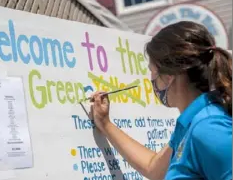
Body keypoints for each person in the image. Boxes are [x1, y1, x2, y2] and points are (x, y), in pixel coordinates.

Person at [89, 21, 232, 180]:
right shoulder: (190, 123)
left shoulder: (208, 127)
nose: (150, 79)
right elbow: (154, 168)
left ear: (170, 75)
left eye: (152, 71)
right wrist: (105, 123)